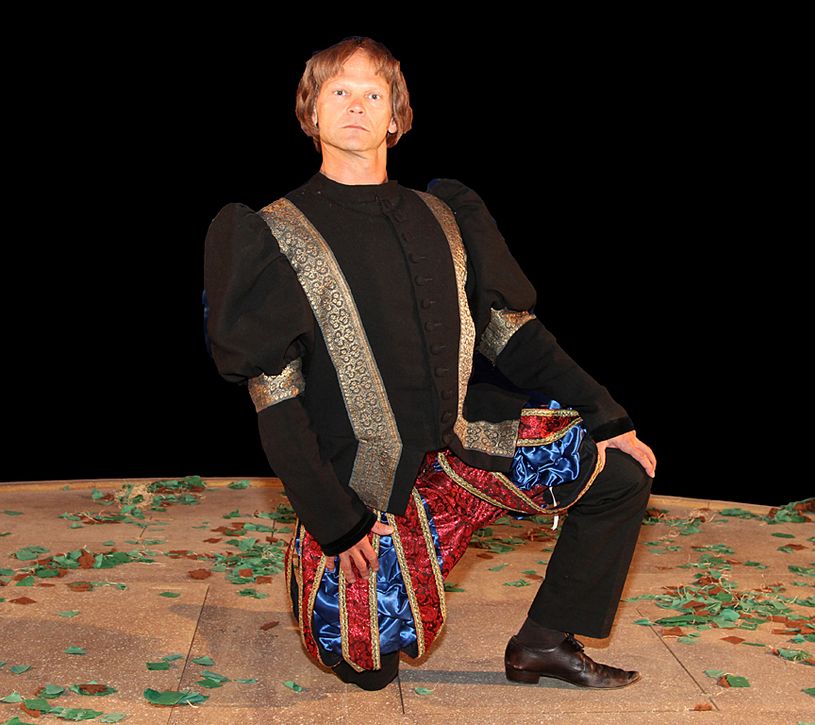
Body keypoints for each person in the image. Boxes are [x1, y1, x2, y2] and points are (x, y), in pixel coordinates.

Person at [203, 35, 656, 691]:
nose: (355, 105)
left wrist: (608, 417)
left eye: (373, 94)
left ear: (395, 116)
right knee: (369, 671)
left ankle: (543, 643)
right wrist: (335, 524)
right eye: (338, 91)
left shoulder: (445, 215)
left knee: (620, 474)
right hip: (364, 490)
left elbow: (513, 336)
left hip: (464, 447)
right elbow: (277, 402)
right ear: (310, 112)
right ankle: (337, 567)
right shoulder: (274, 232)